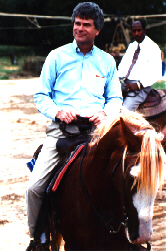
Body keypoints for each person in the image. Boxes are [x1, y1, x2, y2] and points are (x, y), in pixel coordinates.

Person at [25, 2, 122, 250]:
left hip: (96, 133)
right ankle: (40, 239)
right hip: (61, 133)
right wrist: (57, 111)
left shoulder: (107, 61)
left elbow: (115, 98)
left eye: (86, 25)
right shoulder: (56, 56)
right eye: (77, 23)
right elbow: (41, 95)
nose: (79, 28)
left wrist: (105, 113)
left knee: (127, 179)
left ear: (97, 30)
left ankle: (129, 235)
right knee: (34, 188)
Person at [118, 20, 161, 111]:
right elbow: (122, 67)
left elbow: (156, 74)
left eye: (139, 30)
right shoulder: (132, 46)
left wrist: (138, 84)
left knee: (123, 112)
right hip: (126, 82)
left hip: (141, 87)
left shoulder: (153, 47)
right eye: (134, 31)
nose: (136, 33)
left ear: (144, 30)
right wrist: (115, 79)